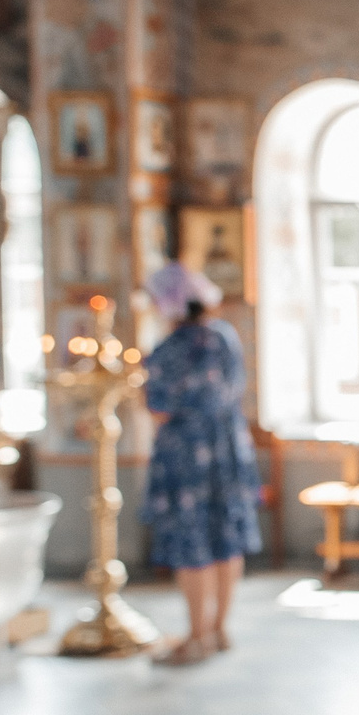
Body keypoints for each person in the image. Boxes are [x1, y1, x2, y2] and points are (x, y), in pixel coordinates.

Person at [139, 262, 261, 666]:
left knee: (192, 544)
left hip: (186, 454)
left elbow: (156, 406)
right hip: (227, 447)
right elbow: (236, 387)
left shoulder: (169, 350)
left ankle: (196, 635)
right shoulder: (225, 337)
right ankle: (219, 629)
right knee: (225, 538)